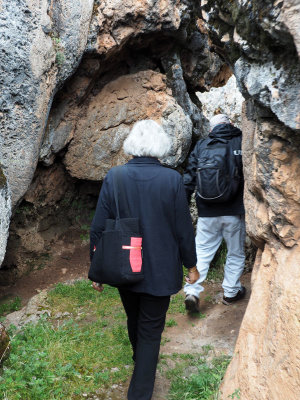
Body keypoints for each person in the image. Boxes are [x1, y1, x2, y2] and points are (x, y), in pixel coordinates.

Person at [90, 119, 199, 400]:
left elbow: (99, 226)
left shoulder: (115, 176)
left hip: (124, 266)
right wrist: (192, 265)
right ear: (160, 146)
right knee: (150, 330)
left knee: (134, 317)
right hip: (161, 269)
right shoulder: (172, 179)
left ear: (133, 145)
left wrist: (96, 271)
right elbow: (183, 229)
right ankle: (141, 387)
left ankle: (142, 366)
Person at [183, 113, 246, 313]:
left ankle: (192, 291)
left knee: (202, 252)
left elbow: (189, 177)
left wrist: (183, 205)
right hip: (233, 211)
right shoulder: (241, 140)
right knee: (235, 252)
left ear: (212, 129)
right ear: (231, 123)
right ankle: (231, 291)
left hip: (206, 212)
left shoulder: (202, 145)